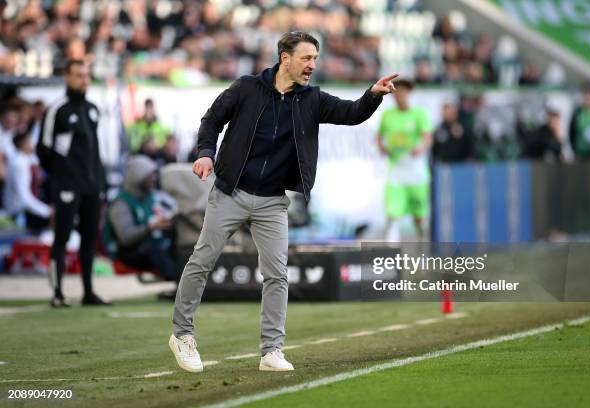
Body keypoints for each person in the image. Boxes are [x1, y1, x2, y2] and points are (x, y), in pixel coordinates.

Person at [169, 31, 397, 373]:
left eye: (316, 59)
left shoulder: (313, 100)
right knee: (202, 261)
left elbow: (351, 113)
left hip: (272, 202)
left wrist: (373, 96)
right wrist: (205, 154)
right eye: (306, 58)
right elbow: (211, 121)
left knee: (277, 275)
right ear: (284, 58)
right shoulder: (246, 88)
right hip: (230, 192)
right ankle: (181, 334)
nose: (312, 65)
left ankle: (271, 351)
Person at [36, 60, 110, 307]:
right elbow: (43, 149)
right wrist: (61, 177)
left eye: (87, 75)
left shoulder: (92, 109)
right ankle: (57, 293)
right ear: (67, 77)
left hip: (91, 186)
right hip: (67, 186)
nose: (84, 80)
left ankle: (88, 292)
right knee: (62, 237)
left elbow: (94, 150)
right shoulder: (57, 109)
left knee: (89, 240)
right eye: (78, 75)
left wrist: (100, 181)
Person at [105, 155, 177, 285]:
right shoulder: (121, 203)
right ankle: (178, 280)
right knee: (152, 249)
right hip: (129, 253)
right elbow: (125, 237)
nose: (154, 179)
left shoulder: (152, 196)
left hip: (154, 246)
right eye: (149, 176)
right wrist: (150, 227)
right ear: (137, 176)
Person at [377, 79, 433, 241]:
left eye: (403, 92)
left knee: (419, 215)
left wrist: (421, 148)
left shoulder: (419, 114)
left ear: (409, 93)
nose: (399, 96)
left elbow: (427, 137)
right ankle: (392, 254)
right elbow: (380, 137)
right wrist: (382, 147)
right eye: (396, 93)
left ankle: (422, 245)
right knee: (393, 212)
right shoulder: (388, 115)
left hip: (415, 171)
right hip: (396, 170)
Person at [3, 132, 52, 233]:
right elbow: (24, 197)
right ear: (22, 145)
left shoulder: (27, 159)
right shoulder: (19, 164)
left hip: (29, 209)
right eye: (29, 142)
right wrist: (47, 211)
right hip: (19, 214)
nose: (32, 144)